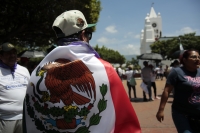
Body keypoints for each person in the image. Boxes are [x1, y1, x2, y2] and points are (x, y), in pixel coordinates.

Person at [23, 10, 141, 133]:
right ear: (83, 35)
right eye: (88, 35)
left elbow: (28, 118)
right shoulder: (105, 70)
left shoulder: (36, 73)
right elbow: (126, 123)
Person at [156, 49, 200, 133]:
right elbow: (166, 91)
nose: (197, 59)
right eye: (193, 57)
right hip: (182, 114)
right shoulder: (176, 72)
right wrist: (161, 110)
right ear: (184, 60)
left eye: (198, 57)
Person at [0, 42, 30, 133]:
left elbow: (30, 90)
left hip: (24, 117)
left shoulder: (23, 70)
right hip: (5, 119)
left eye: (14, 53)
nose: (12, 55)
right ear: (0, 56)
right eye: (8, 53)